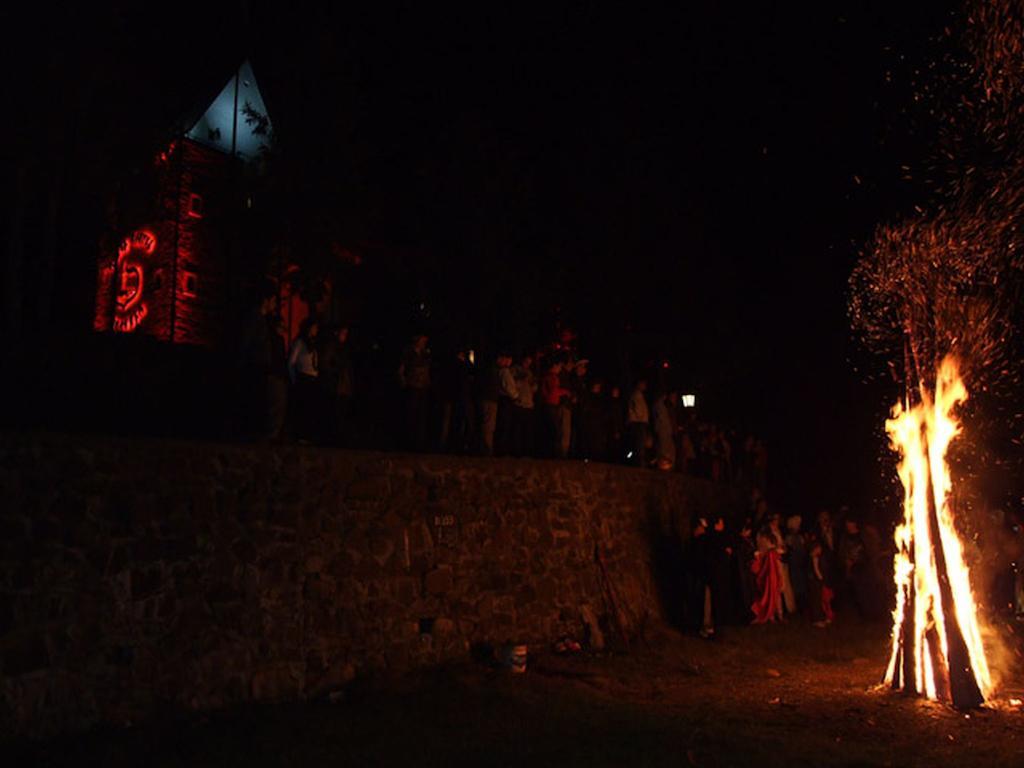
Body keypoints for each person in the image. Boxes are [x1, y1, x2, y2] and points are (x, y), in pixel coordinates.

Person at [318, 324, 354, 446]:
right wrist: (335, 372)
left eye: (346, 334)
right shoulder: (331, 347)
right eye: (343, 333)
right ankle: (332, 437)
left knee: (341, 412)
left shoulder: (344, 348)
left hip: (343, 386)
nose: (345, 336)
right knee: (334, 412)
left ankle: (339, 436)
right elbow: (325, 364)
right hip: (335, 386)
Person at [287, 316, 320, 443]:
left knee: (311, 408)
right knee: (303, 407)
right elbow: (291, 362)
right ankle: (301, 435)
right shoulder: (300, 342)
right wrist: (294, 379)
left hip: (312, 378)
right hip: (304, 378)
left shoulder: (313, 343)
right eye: (314, 327)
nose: (316, 330)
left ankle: (309, 435)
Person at [398, 333, 431, 451]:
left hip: (423, 387)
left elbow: (427, 369)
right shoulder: (409, 352)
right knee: (411, 414)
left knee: (421, 416)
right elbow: (401, 369)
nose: (424, 342)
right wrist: (404, 381)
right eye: (423, 339)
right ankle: (409, 442)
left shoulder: (425, 354)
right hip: (412, 387)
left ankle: (419, 443)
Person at [751, 525, 783, 624]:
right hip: (767, 574)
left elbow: (777, 564)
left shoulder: (772, 554)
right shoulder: (769, 553)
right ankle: (772, 615)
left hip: (771, 574)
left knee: (774, 594)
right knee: (769, 594)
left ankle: (776, 614)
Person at [540, 359, 571, 458]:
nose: (560, 369)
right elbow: (553, 391)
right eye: (559, 367)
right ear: (554, 367)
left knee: (552, 430)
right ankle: (554, 454)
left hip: (550, 405)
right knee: (555, 430)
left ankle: (551, 453)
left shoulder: (548, 377)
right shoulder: (552, 377)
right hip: (551, 405)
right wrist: (565, 392)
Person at [510, 353, 537, 456]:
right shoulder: (515, 370)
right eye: (526, 362)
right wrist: (521, 380)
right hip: (519, 404)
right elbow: (512, 385)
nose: (527, 365)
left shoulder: (529, 372)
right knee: (518, 429)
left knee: (527, 430)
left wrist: (533, 385)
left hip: (528, 404)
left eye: (529, 363)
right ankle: (517, 451)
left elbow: (533, 389)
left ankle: (527, 452)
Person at [626, 379, 649, 467]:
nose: (645, 386)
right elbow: (639, 410)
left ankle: (638, 462)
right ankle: (638, 463)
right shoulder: (637, 395)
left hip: (639, 422)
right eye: (643, 384)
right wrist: (641, 417)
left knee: (638, 444)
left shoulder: (638, 395)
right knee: (639, 444)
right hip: (638, 422)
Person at [652, 389, 677, 471]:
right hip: (663, 430)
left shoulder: (665, 408)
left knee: (668, 448)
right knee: (663, 448)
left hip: (667, 430)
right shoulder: (659, 406)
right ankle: (663, 466)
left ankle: (667, 465)